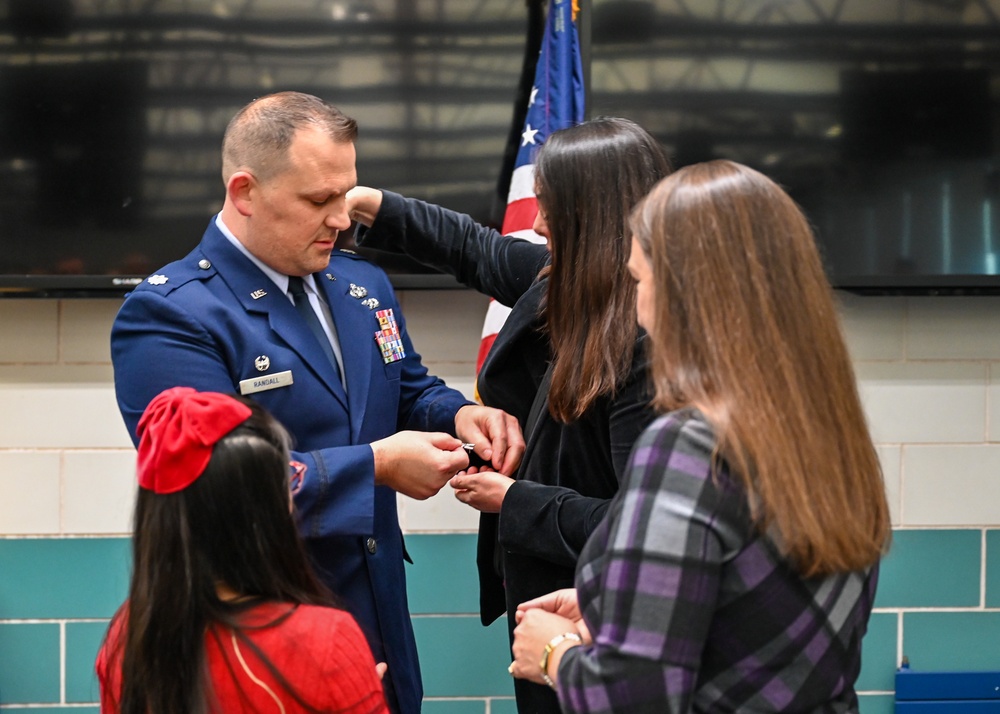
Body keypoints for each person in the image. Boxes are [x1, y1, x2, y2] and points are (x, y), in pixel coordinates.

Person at [109, 91, 524, 714]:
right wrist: (377, 466)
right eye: (318, 200)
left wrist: (459, 412)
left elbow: (404, 385)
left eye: (348, 195)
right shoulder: (172, 314)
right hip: (258, 645)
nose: (344, 219)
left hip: (378, 615)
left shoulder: (360, 285)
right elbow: (215, 489)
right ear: (245, 192)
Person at [508, 160, 893, 713]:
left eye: (639, 281)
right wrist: (618, 604)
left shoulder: (690, 447)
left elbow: (636, 697)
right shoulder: (833, 435)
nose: (636, 306)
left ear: (688, 294)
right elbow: (764, 616)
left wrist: (556, 655)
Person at [348, 117, 671, 714]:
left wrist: (510, 499)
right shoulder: (565, 281)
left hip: (602, 608)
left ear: (594, 218)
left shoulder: (646, 345)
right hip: (543, 597)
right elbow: (471, 247)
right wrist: (367, 203)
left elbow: (642, 530)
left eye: (552, 210)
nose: (538, 224)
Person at [96, 386, 388, 714]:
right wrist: (355, 688)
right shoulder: (327, 640)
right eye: (289, 483)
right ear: (261, 513)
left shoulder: (129, 634)